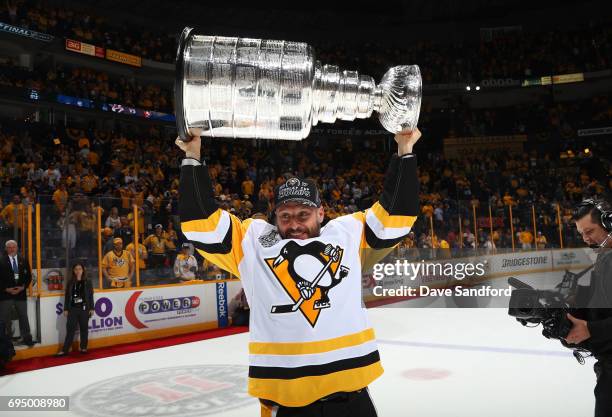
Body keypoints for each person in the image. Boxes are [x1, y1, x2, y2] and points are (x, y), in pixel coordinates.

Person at [176, 128, 421, 417]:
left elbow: (397, 215)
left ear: (321, 213)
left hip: (352, 400)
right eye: (285, 216)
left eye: (303, 215)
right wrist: (193, 157)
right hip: (288, 405)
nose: (294, 225)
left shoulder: (347, 232)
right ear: (274, 217)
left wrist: (405, 150)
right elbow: (199, 224)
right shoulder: (252, 242)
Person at [567, 199, 612, 417]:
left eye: (590, 231)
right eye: (581, 233)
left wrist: (591, 329)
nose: (586, 239)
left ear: (609, 224)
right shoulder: (604, 257)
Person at [0, 240, 34, 346]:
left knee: (23, 316)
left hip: (21, 294)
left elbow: (28, 276)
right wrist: (5, 289)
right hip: (5, 295)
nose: (11, 249)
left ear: (17, 248)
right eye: (9, 247)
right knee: (5, 318)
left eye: (13, 247)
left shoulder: (23, 260)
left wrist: (23, 287)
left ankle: (27, 338)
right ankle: (6, 341)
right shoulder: (1, 260)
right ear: (6, 249)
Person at [56, 263, 94, 356]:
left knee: (84, 329)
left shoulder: (88, 281)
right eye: (76, 269)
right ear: (73, 271)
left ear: (83, 270)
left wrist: (92, 308)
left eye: (80, 269)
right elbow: (67, 297)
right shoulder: (70, 282)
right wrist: (66, 309)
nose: (78, 271)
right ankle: (65, 350)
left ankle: (83, 348)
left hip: (84, 309)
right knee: (70, 330)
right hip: (72, 309)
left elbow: (90, 296)